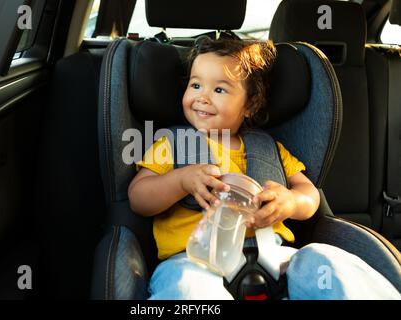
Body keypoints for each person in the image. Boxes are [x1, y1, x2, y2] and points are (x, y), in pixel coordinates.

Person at [127, 38, 401, 300]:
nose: (203, 97)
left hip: (276, 259)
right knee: (187, 290)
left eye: (219, 89)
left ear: (250, 105)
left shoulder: (269, 148)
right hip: (194, 260)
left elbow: (310, 194)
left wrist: (291, 201)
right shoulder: (172, 144)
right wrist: (180, 181)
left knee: (325, 260)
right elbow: (138, 197)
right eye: (195, 85)